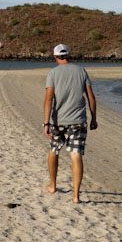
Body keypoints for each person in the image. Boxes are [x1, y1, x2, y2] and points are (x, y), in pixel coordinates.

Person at [43, 43, 98, 203]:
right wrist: (94, 118)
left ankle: (53, 185)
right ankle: (76, 196)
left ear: (55, 57)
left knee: (54, 150)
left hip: (58, 121)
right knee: (76, 155)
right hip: (78, 121)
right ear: (69, 55)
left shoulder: (52, 73)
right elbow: (91, 97)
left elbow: (48, 99)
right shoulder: (81, 71)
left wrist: (46, 123)